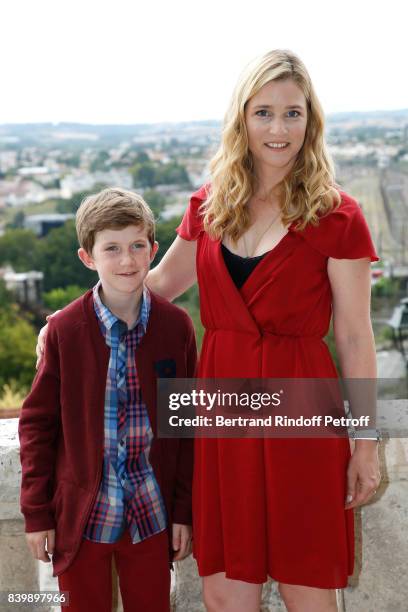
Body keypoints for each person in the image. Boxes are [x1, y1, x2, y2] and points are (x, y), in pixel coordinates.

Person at [37, 50, 382, 612]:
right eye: (264, 112)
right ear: (242, 118)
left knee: (310, 588)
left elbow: (353, 337)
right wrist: (68, 322)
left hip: (303, 412)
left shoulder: (338, 216)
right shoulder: (212, 206)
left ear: (310, 122)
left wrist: (363, 444)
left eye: (293, 113)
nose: (278, 128)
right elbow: (155, 287)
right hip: (221, 417)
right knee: (224, 594)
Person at [20, 187, 196, 612]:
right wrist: (37, 514)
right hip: (81, 519)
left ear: (154, 250)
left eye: (137, 246)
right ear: (88, 257)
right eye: (112, 249)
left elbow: (185, 426)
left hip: (150, 515)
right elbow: (37, 426)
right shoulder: (66, 330)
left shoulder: (176, 328)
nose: (127, 260)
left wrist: (183, 511)